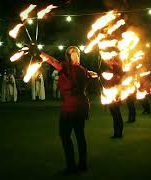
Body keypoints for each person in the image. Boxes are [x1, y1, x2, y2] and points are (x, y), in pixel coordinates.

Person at [39, 46, 97, 174]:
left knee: (65, 135)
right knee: (79, 135)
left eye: (76, 53)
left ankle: (72, 166)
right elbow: (90, 74)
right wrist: (92, 73)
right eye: (72, 53)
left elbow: (52, 61)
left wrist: (39, 52)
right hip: (81, 105)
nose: (75, 55)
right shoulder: (83, 70)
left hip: (71, 107)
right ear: (69, 56)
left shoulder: (67, 68)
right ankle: (82, 165)